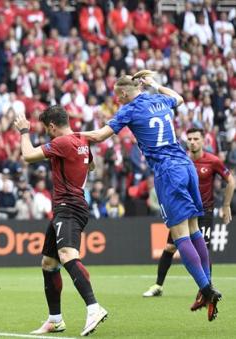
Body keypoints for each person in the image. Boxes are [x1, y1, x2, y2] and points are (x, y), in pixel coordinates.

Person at [82, 70, 222, 321]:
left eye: (117, 97)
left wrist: (69, 138)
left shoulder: (129, 108)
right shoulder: (158, 99)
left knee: (180, 237)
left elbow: (100, 136)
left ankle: (206, 288)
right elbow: (178, 98)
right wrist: (156, 84)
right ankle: (206, 286)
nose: (117, 102)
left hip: (168, 172)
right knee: (194, 230)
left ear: (124, 93)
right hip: (186, 165)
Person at [14, 106, 108, 336]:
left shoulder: (63, 142)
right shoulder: (80, 140)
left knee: (67, 255)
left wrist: (24, 131)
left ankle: (94, 307)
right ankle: (55, 320)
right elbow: (92, 166)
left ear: (53, 126)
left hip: (69, 207)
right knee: (49, 263)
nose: (48, 133)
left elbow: (27, 156)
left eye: (47, 129)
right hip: (66, 208)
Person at [143, 127, 234, 302]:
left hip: (204, 212)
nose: (192, 142)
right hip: (182, 210)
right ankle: (158, 285)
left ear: (203, 141)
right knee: (170, 247)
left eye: (196, 139)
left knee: (202, 250)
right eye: (190, 139)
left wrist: (226, 204)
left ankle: (207, 288)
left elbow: (231, 181)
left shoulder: (213, 161)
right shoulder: (180, 159)